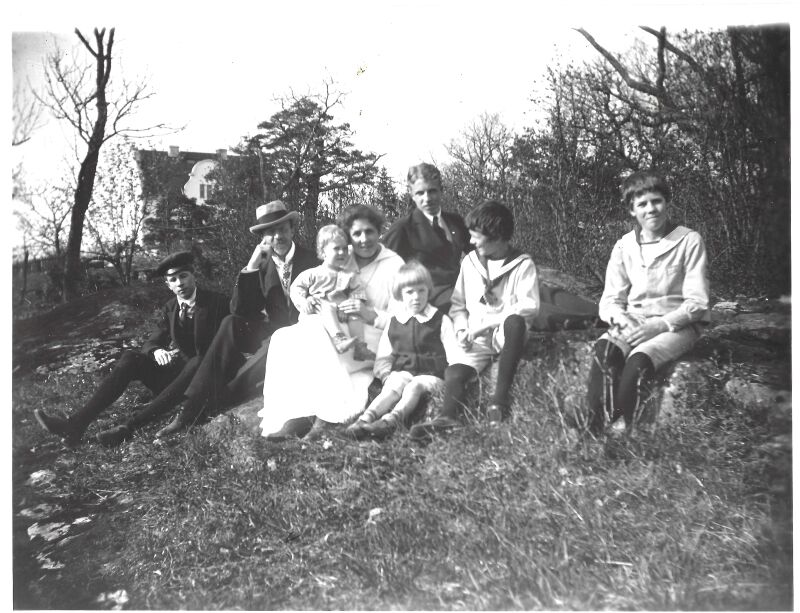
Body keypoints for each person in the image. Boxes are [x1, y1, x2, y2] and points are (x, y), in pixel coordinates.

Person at [155, 200, 320, 437]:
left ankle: (207, 405)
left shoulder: (313, 261)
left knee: (272, 347)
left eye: (283, 229)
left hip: (304, 334)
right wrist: (252, 266)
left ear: (292, 229)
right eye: (270, 233)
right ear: (262, 239)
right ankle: (191, 406)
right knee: (230, 323)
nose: (278, 236)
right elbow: (239, 310)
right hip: (273, 332)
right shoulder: (261, 265)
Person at [33, 252, 230, 447]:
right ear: (168, 285)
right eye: (173, 279)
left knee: (197, 361)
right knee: (131, 358)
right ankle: (76, 424)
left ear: (193, 276)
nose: (180, 283)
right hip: (176, 379)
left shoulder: (217, 302)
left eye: (183, 276)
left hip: (207, 380)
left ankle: (128, 427)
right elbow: (153, 340)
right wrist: (156, 351)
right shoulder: (171, 307)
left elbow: (228, 342)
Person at [258, 204, 404, 441]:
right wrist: (309, 302)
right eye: (356, 234)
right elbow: (306, 287)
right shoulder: (342, 259)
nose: (363, 239)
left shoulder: (392, 264)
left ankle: (325, 417)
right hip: (336, 322)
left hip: (371, 330)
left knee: (318, 332)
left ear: (379, 232)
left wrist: (365, 312)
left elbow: (400, 316)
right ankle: (296, 412)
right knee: (282, 337)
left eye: (369, 231)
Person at [585, 170, 709, 434]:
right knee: (605, 352)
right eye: (642, 204)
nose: (651, 209)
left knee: (638, 361)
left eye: (657, 201)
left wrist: (660, 325)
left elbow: (698, 302)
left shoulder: (688, 240)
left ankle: (625, 431)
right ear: (632, 210)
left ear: (667, 203)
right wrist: (623, 320)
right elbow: (610, 301)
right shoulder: (624, 246)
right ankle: (593, 428)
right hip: (635, 321)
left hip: (676, 325)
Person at [409, 200, 540, 441]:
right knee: (455, 371)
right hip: (475, 336)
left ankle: (498, 402)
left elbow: (528, 307)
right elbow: (458, 304)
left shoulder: (522, 264)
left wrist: (485, 326)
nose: (471, 241)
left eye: (476, 237)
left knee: (515, 323)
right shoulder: (470, 263)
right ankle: (448, 418)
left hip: (504, 333)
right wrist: (462, 329)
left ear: (496, 236)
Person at [346, 261, 458, 441]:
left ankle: (391, 420)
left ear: (428, 291)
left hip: (433, 375)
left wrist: (453, 379)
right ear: (400, 295)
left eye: (421, 291)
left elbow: (454, 355)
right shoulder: (395, 321)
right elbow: (384, 356)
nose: (416, 297)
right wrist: (386, 375)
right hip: (404, 371)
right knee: (394, 385)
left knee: (415, 385)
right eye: (410, 292)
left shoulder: (440, 320)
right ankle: (364, 419)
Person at [381, 162, 469, 311]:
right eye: (420, 193)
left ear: (441, 190)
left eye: (432, 191)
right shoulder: (402, 228)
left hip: (461, 291)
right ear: (411, 194)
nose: (427, 198)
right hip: (427, 301)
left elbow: (477, 254)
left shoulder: (456, 221)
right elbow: (382, 264)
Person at [291, 224, 372, 360]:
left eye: (344, 249)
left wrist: (350, 305)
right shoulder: (313, 273)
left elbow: (358, 291)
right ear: (323, 251)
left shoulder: (349, 275)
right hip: (319, 310)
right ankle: (339, 339)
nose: (342, 252)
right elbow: (296, 289)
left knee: (356, 317)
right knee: (328, 307)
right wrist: (303, 302)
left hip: (342, 311)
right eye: (336, 248)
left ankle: (360, 347)